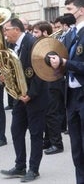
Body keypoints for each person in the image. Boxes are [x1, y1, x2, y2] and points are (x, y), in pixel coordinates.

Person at [0, 18, 48, 182]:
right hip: (19, 97)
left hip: (34, 96)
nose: (4, 34)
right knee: (16, 131)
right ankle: (20, 166)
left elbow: (41, 72)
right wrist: (4, 76)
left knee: (35, 134)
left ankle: (33, 169)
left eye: (6, 30)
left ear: (16, 30)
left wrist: (30, 94)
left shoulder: (33, 43)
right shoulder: (11, 46)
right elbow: (13, 70)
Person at [49, 0, 84, 183]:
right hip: (72, 97)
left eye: (70, 8)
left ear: (82, 10)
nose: (67, 13)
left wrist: (65, 63)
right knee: (77, 150)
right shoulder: (72, 34)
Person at [32, 20, 65, 155]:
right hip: (45, 82)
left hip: (53, 82)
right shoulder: (40, 45)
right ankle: (48, 140)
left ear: (45, 32)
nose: (33, 35)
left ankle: (57, 144)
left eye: (36, 32)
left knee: (52, 114)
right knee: (46, 113)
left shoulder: (52, 45)